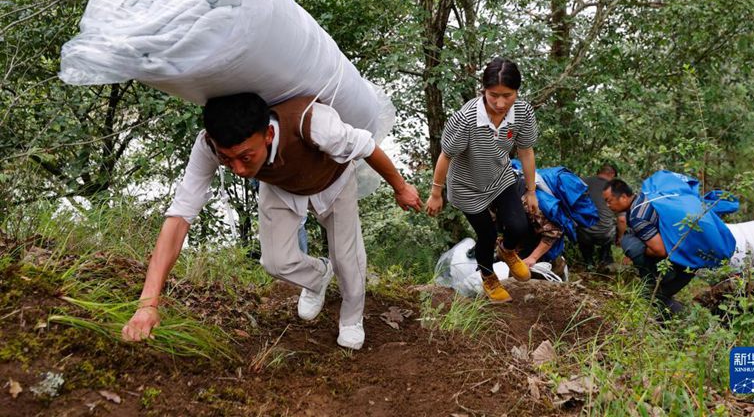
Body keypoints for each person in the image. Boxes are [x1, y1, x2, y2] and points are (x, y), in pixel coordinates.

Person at [121, 93, 421, 350]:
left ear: (268, 135)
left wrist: (401, 187)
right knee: (276, 262)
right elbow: (180, 216)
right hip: (282, 188)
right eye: (227, 160)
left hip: (333, 181)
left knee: (347, 257)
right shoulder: (209, 145)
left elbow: (367, 147)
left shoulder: (314, 123)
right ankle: (318, 277)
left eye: (245, 157)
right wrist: (147, 303)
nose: (237, 169)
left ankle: (351, 317)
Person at [426, 57, 541, 303]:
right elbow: (446, 155)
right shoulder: (466, 119)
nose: (500, 103)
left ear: (517, 92)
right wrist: (436, 193)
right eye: (493, 95)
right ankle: (488, 277)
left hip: (500, 177)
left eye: (507, 95)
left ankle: (508, 251)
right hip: (468, 187)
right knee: (487, 234)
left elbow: (526, 151)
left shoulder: (522, 112)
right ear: (484, 91)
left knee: (519, 226)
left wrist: (531, 191)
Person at [602, 178, 694, 314]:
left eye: (609, 201)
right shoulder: (645, 197)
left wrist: (640, 252)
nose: (607, 205)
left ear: (623, 197)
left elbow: (659, 251)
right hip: (689, 256)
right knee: (655, 295)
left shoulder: (637, 216)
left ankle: (685, 317)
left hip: (681, 264)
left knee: (652, 297)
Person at [577, 163, 618, 271]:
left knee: (581, 227)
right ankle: (603, 260)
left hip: (585, 232)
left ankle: (589, 263)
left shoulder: (583, 182)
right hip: (605, 233)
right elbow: (622, 219)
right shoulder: (615, 188)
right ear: (612, 174)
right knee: (612, 225)